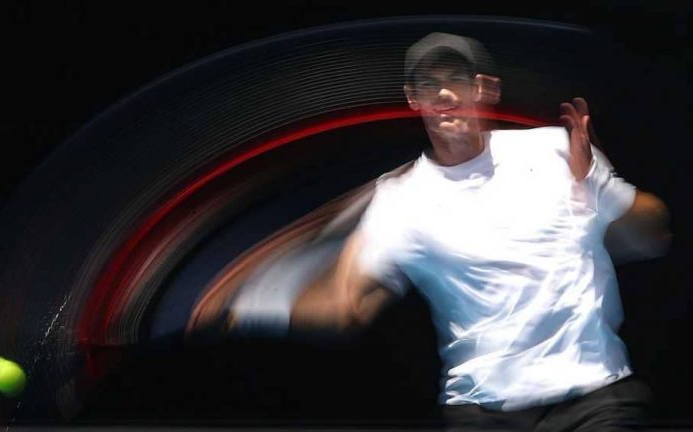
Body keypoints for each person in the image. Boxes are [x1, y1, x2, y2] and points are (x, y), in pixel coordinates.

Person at [192, 32, 671, 431]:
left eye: (456, 79)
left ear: (484, 88)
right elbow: (345, 306)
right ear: (413, 99)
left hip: (597, 400)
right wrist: (248, 307)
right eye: (429, 84)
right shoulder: (401, 200)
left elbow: (653, 235)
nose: (443, 94)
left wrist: (598, 187)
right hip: (482, 413)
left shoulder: (555, 151)